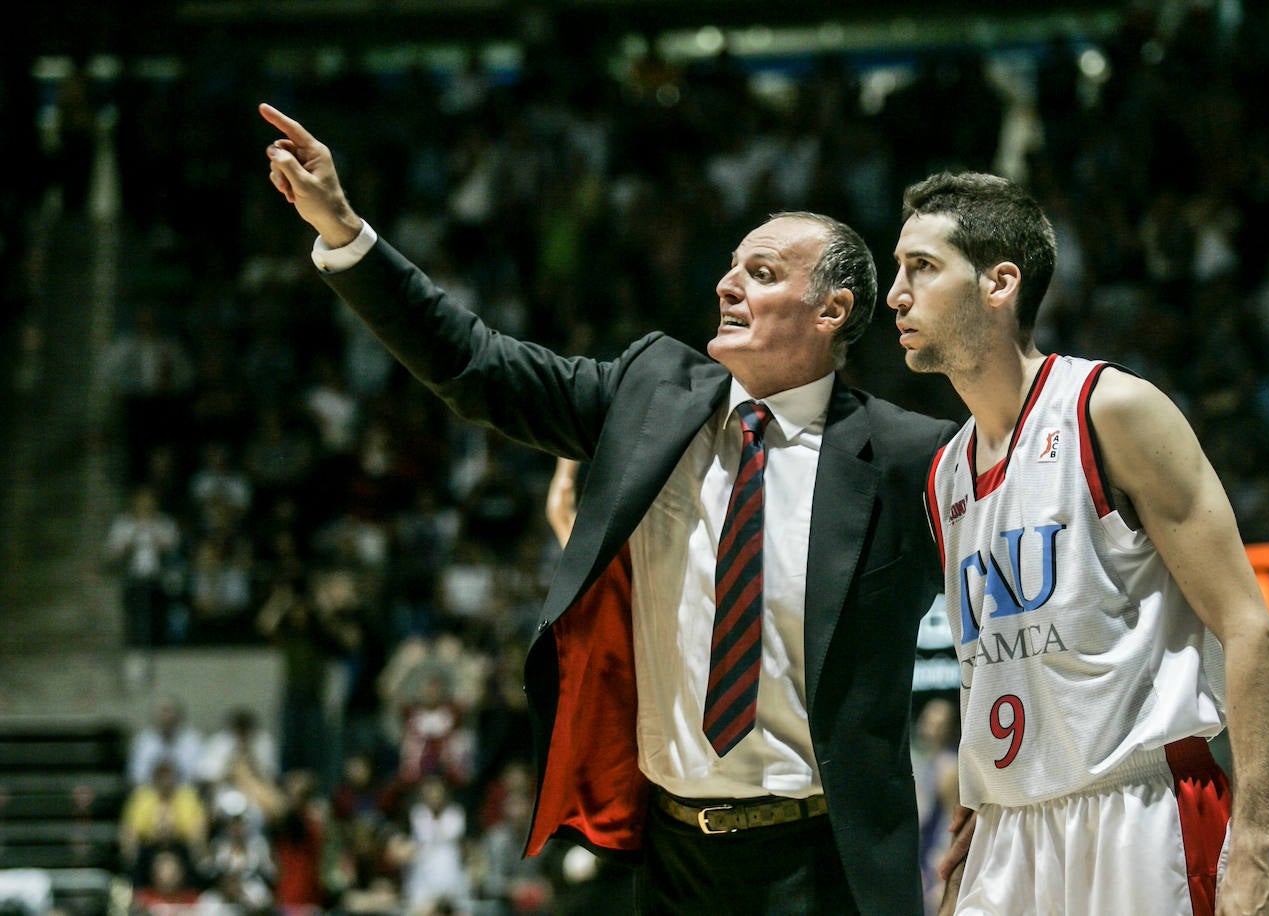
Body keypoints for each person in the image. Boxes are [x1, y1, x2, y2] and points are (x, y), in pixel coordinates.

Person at [258, 102, 956, 914]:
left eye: (762, 274)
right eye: (733, 266)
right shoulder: (652, 391)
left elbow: (997, 620)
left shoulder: (909, 456)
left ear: (831, 311)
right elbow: (477, 365)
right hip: (669, 858)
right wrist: (345, 232)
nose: (727, 284)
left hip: (825, 860)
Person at [889, 171, 1269, 915]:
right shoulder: (945, 472)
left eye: (922, 267)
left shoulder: (1113, 411)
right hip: (1008, 833)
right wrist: (972, 816)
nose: (895, 294)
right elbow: (991, 668)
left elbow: (1252, 632)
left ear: (1000, 283)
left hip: (1139, 813)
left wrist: (1259, 847)